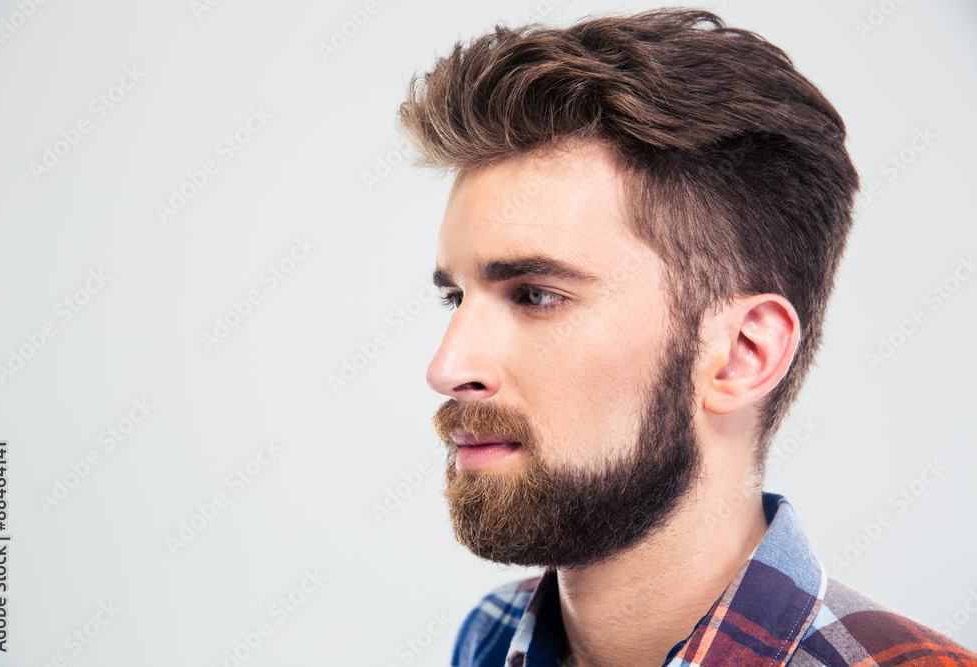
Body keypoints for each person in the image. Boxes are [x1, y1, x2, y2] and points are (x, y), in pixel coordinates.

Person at [397, 8, 977, 667]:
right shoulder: (492, 637)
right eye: (456, 295)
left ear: (741, 354)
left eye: (537, 294)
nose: (447, 365)